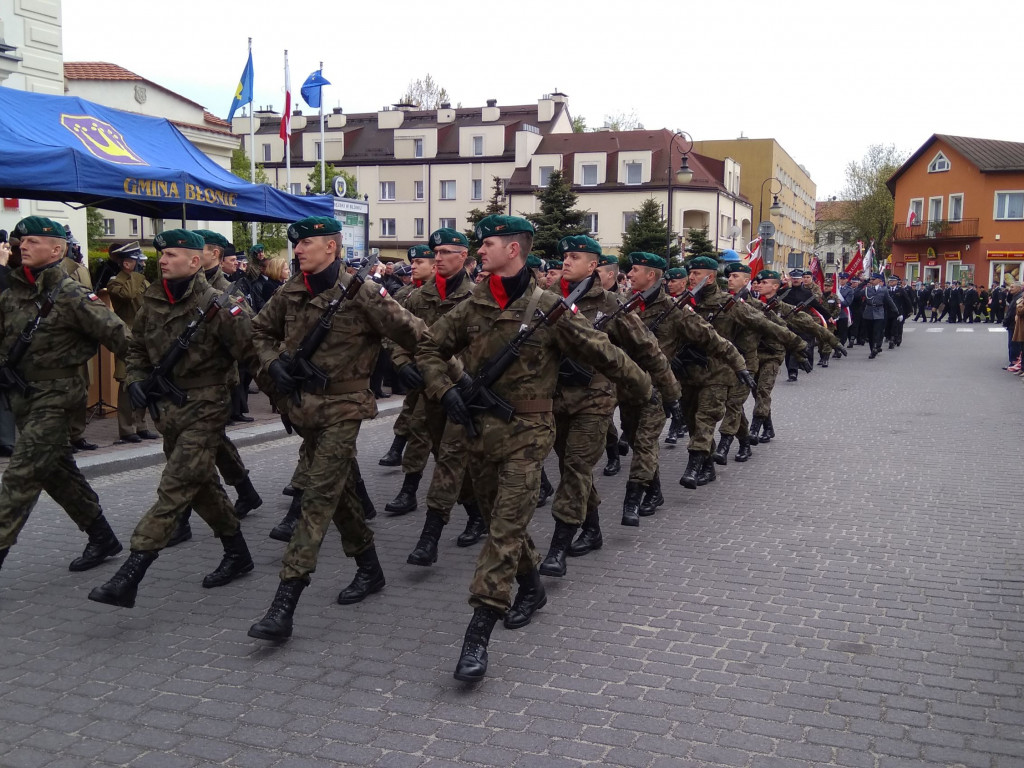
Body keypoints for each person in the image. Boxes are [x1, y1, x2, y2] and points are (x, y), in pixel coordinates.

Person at [415, 215, 652, 683]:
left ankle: (477, 634)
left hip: (528, 431)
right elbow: (428, 350)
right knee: (506, 524)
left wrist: (645, 389)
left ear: (515, 250)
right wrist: (446, 391)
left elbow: (603, 352)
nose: (480, 250)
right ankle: (532, 588)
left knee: (503, 530)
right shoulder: (473, 304)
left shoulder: (550, 308)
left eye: (489, 244)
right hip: (479, 432)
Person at [247, 217, 428, 642]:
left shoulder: (363, 293)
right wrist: (273, 364)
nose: (298, 251)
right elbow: (258, 331)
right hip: (304, 407)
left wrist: (449, 377)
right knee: (341, 492)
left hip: (345, 406)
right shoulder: (290, 292)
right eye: (296, 245)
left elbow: (418, 334)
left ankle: (284, 603)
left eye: (306, 243)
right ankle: (370, 569)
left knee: (318, 495)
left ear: (331, 246)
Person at [88, 229, 261, 610]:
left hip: (207, 405)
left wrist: (287, 402)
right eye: (161, 254)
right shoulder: (153, 299)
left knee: (175, 486)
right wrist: (134, 379)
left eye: (171, 254)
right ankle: (237, 553)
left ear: (195, 261)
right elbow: (136, 347)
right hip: (167, 409)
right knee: (201, 488)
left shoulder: (220, 303)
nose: (162, 260)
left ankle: (130, 574)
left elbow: (254, 353)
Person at [541, 236, 678, 575]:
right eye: (565, 256)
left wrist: (670, 393)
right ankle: (592, 528)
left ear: (593, 266)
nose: (567, 261)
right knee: (572, 468)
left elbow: (648, 349)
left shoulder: (613, 304)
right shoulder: (548, 301)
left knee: (575, 467)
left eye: (575, 256)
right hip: (555, 400)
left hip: (595, 400)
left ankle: (559, 544)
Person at [0, 217, 130, 574]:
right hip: (23, 396)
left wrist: (144, 383)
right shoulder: (12, 295)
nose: (23, 245)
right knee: (57, 472)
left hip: (58, 396)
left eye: (33, 241)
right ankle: (102, 537)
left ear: (56, 249)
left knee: (20, 476)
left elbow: (122, 339)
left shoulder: (73, 295)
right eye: (21, 240)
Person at [396, 229, 486, 566]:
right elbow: (397, 334)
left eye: (447, 252)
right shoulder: (419, 297)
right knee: (444, 458)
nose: (439, 257)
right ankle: (476, 513)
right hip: (430, 391)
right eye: (436, 252)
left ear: (464, 256)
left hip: (464, 393)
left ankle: (429, 538)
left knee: (449, 459)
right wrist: (401, 362)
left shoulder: (477, 297)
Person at [105, 241, 158, 444]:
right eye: (137, 261)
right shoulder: (115, 282)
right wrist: (134, 274)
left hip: (144, 337)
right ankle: (126, 429)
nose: (142, 264)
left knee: (142, 381)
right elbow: (127, 295)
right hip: (127, 336)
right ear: (127, 264)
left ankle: (141, 425)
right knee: (127, 384)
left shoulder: (141, 280)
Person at [863, 273, 899, 358]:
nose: (872, 281)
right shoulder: (867, 289)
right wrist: (864, 282)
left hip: (879, 313)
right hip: (868, 313)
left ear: (879, 280)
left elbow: (889, 301)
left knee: (877, 332)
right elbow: (856, 294)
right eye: (871, 279)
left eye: (873, 279)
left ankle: (876, 347)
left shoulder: (883, 290)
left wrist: (896, 311)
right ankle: (872, 349)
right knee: (870, 333)